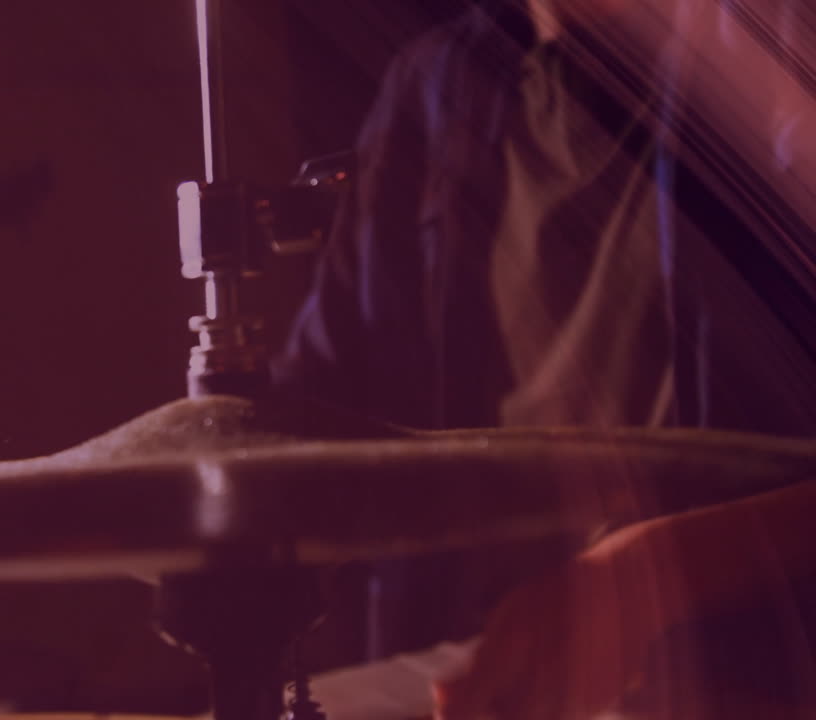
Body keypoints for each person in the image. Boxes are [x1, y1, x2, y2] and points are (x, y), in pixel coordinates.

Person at [273, 0, 816, 717]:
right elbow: (309, 408)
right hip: (493, 658)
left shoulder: (775, 55)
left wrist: (651, 578)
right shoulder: (440, 85)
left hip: (753, 679)